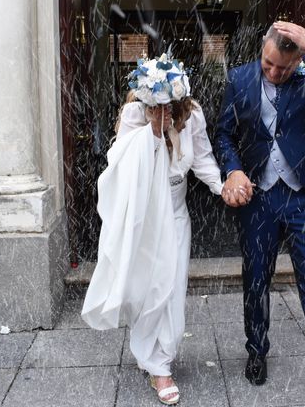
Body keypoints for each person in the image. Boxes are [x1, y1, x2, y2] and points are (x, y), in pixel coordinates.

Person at [215, 21, 305, 407]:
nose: (275, 73)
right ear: (262, 49)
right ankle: (257, 350)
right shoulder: (239, 78)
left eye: (284, 67)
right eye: (269, 64)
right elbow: (224, 134)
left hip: (303, 198)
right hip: (259, 199)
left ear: (298, 59)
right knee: (256, 280)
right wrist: (233, 169)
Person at [82, 53, 223, 405]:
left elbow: (202, 158)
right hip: (144, 216)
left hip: (175, 214)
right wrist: (152, 133)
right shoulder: (135, 115)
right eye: (155, 107)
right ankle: (155, 363)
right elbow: (120, 163)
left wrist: (223, 187)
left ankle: (159, 359)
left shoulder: (192, 117)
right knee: (147, 287)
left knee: (171, 288)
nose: (163, 113)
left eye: (168, 108)